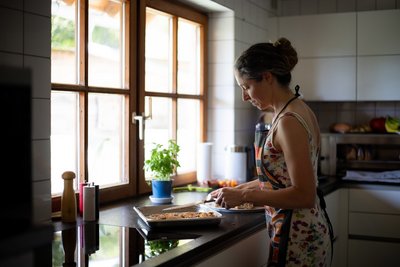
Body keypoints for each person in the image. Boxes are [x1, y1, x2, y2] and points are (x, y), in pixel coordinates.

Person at [209, 37, 333, 266]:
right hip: (302, 232)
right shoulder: (297, 109)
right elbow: (281, 180)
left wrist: (244, 196)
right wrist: (237, 190)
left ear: (267, 77)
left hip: (297, 238)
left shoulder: (288, 121)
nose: (244, 96)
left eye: (246, 86)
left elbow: (304, 194)